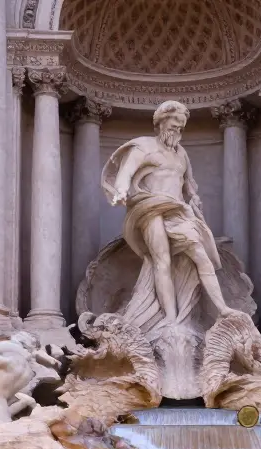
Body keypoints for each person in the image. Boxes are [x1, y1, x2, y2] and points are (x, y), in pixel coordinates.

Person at [101, 100, 233, 334]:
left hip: (177, 210)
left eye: (181, 128)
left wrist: (194, 197)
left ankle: (222, 308)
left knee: (201, 255)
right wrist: (120, 190)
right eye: (174, 126)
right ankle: (171, 318)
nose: (177, 132)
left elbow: (188, 183)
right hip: (150, 209)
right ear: (160, 123)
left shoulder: (181, 154)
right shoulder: (143, 147)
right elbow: (125, 173)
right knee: (162, 261)